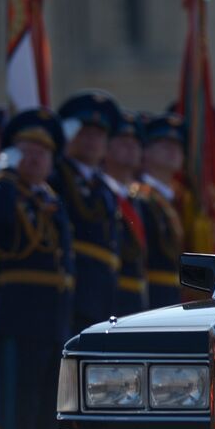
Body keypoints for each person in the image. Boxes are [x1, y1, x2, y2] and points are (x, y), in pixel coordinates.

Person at [0, 108, 73, 429]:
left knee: (44, 418)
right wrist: (2, 176)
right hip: (19, 317)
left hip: (51, 319)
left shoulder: (49, 200)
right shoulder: (3, 193)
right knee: (19, 418)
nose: (35, 159)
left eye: (42, 152)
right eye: (27, 151)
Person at [56, 91, 123, 333]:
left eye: (99, 134)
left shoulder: (104, 187)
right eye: (84, 133)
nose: (91, 140)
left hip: (103, 295)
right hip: (74, 292)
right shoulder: (58, 175)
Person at [133, 114, 186, 308]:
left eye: (177, 145)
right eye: (163, 144)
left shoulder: (181, 200)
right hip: (152, 295)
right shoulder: (139, 196)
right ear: (145, 152)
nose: (172, 151)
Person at [101, 108, 148, 316]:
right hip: (108, 299)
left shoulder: (138, 198)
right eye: (121, 140)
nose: (130, 147)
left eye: (135, 142)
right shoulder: (100, 193)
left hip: (136, 300)